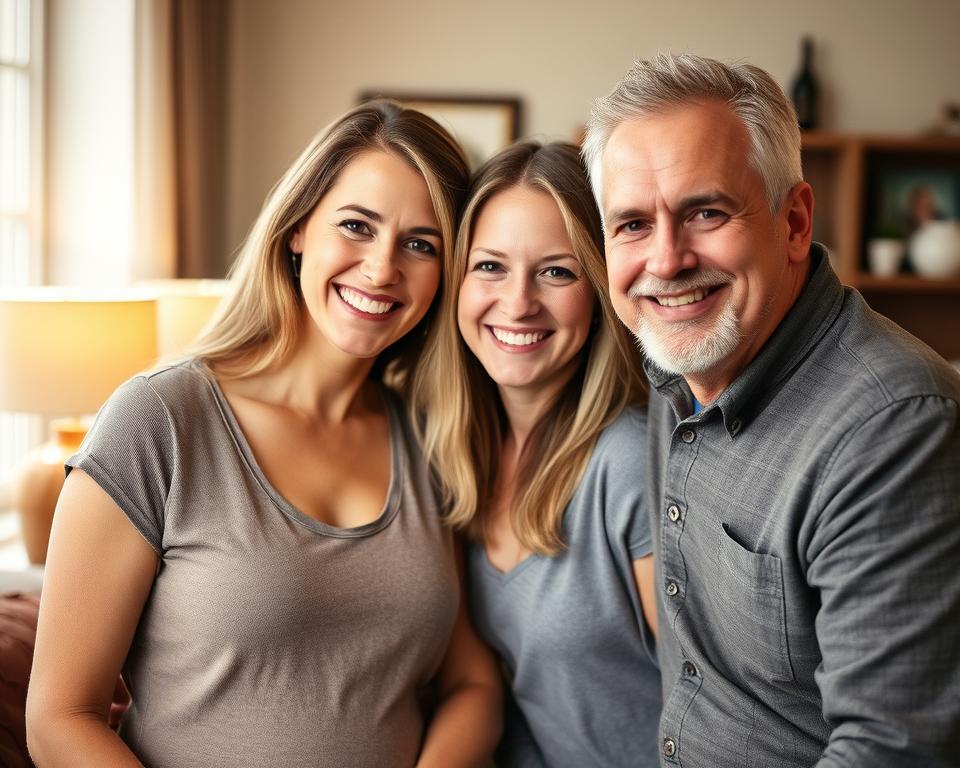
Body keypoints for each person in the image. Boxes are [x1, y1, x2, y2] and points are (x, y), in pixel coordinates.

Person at [26, 101, 501, 768]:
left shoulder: (428, 440)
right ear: (299, 228)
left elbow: (472, 683)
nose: (382, 268)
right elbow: (58, 719)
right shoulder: (160, 419)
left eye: (421, 244)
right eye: (357, 226)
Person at [583, 53, 960, 767]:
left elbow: (892, 751)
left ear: (793, 222)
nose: (666, 260)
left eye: (705, 212)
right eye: (631, 225)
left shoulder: (894, 427)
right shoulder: (677, 362)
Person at [415, 140, 661, 767]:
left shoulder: (628, 465)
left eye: (557, 271)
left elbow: (717, 703)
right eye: (490, 266)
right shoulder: (446, 455)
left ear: (600, 290)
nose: (519, 302)